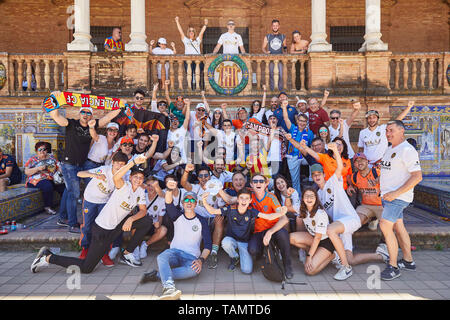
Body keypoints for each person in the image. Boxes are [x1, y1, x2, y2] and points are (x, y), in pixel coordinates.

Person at [30, 154, 153, 274]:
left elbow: (143, 211)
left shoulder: (141, 191)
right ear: (130, 177)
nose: (138, 180)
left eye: (141, 178)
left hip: (117, 226)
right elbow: (116, 177)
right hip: (102, 229)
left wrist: (131, 219)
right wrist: (133, 162)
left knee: (146, 221)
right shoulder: (123, 185)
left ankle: (127, 253)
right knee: (86, 268)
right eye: (135, 177)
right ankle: (47, 257)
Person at [311, 144, 388, 281]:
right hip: (341, 228)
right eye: (314, 175)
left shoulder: (333, 181)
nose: (317, 177)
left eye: (319, 174)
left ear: (324, 174)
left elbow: (340, 168)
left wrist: (335, 150)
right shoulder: (318, 195)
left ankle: (346, 268)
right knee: (350, 258)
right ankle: (381, 256)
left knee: (330, 230)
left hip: (350, 219)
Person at [48, 93, 121, 233]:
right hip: (69, 164)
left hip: (82, 164)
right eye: (83, 112)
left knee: (70, 192)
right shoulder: (71, 123)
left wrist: (120, 105)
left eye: (88, 113)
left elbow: (110, 116)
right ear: (79, 113)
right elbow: (56, 117)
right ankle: (72, 224)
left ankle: (63, 217)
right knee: (74, 193)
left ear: (91, 115)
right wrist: (54, 100)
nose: (86, 115)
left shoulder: (93, 125)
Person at [139, 180, 212, 300]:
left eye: (192, 200)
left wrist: (201, 260)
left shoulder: (202, 221)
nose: (189, 202)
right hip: (174, 252)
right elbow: (168, 203)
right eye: (186, 200)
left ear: (196, 203)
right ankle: (169, 288)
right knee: (161, 257)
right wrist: (168, 189)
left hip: (191, 257)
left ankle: (157, 275)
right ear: (183, 203)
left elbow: (208, 245)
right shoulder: (177, 216)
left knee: (194, 271)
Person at [202, 189, 288, 273]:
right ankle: (234, 257)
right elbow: (213, 211)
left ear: (250, 200)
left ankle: (241, 254)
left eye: (246, 198)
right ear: (238, 199)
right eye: (241, 198)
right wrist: (204, 201)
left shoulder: (251, 210)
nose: (244, 201)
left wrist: (281, 213)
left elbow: (268, 217)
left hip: (244, 242)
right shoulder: (230, 208)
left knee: (247, 270)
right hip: (232, 240)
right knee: (225, 242)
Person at [379, 120, 422, 281]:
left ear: (402, 131)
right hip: (388, 196)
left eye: (391, 130)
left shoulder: (407, 150)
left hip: (397, 197)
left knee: (384, 225)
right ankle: (408, 261)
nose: (388, 133)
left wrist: (395, 193)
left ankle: (393, 266)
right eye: (387, 131)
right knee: (398, 226)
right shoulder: (390, 148)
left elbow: (417, 176)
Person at [76, 151, 129, 265]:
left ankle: (103, 253)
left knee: (104, 228)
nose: (120, 166)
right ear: (113, 162)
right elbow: (80, 173)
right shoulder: (104, 169)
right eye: (118, 163)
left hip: (104, 202)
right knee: (87, 225)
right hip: (90, 199)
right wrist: (94, 175)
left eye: (123, 164)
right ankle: (85, 249)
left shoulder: (123, 175)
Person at [181, 163, 225, 269]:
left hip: (212, 220)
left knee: (220, 219)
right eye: (201, 176)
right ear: (198, 178)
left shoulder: (215, 189)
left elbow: (221, 207)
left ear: (210, 177)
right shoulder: (195, 188)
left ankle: (213, 253)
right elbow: (183, 183)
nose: (204, 178)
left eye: (206, 175)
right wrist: (186, 171)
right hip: (199, 220)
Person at [290, 187, 336, 276]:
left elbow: (318, 237)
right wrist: (288, 195)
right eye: (306, 196)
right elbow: (287, 208)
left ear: (316, 198)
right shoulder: (302, 208)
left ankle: (333, 256)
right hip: (313, 238)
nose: (309, 199)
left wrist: (309, 257)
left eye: (312, 196)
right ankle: (313, 252)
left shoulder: (320, 213)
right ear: (302, 198)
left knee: (309, 271)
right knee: (290, 238)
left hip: (326, 242)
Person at [358, 101, 414, 167]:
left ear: (377, 119)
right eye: (369, 118)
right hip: (368, 165)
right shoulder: (363, 132)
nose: (372, 120)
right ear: (367, 119)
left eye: (374, 117)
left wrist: (409, 107)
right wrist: (362, 160)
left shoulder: (383, 128)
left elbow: (398, 120)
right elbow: (361, 148)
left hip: (382, 163)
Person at [282, 100, 313, 196]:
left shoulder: (309, 132)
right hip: (293, 156)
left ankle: (312, 178)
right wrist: (284, 108)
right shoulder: (292, 128)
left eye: (304, 121)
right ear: (297, 121)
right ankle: (297, 196)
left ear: (306, 122)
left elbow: (311, 147)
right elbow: (286, 119)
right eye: (300, 121)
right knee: (294, 179)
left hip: (304, 156)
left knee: (314, 161)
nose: (302, 123)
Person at [24, 142, 64, 215]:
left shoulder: (51, 157)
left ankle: (65, 205)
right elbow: (27, 172)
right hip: (35, 180)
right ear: (36, 150)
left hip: (51, 178)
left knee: (62, 186)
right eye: (40, 149)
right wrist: (38, 168)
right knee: (47, 185)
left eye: (44, 149)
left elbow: (59, 167)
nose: (42, 151)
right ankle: (48, 207)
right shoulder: (33, 159)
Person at [135, 177, 168, 261]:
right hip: (143, 224)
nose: (150, 188)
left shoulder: (161, 198)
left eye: (153, 185)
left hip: (153, 224)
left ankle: (145, 245)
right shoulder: (142, 196)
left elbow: (161, 216)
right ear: (145, 186)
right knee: (134, 224)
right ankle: (135, 247)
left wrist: (158, 224)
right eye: (148, 185)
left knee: (163, 230)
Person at [349, 153, 383, 231]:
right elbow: (355, 184)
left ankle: (383, 242)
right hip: (366, 206)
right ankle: (372, 218)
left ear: (367, 162)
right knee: (355, 222)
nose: (359, 162)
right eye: (356, 161)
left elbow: (389, 180)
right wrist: (351, 186)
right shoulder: (354, 177)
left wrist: (380, 179)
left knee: (386, 226)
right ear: (354, 164)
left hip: (381, 205)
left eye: (362, 160)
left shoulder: (376, 172)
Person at [175, 16, 208, 89]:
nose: (191, 32)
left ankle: (197, 88)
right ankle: (191, 88)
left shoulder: (197, 40)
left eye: (192, 31)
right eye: (190, 31)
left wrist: (205, 25)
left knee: (197, 74)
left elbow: (201, 33)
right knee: (189, 74)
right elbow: (180, 32)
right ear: (188, 33)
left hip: (197, 61)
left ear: (194, 33)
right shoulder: (186, 40)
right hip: (188, 60)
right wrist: (177, 22)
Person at [262, 20, 287, 91]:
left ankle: (280, 90)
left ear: (279, 26)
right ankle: (273, 90)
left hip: (280, 59)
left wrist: (285, 53)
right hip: (271, 59)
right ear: (271, 27)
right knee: (271, 75)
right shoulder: (268, 36)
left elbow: (285, 47)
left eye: (276, 25)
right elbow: (263, 47)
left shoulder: (282, 37)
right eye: (274, 26)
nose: (275, 27)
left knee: (281, 75)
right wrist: (266, 52)